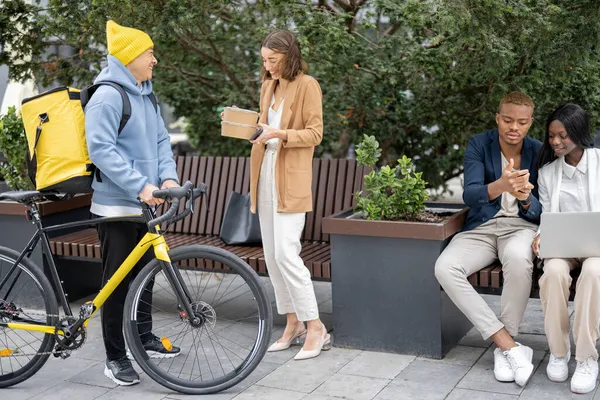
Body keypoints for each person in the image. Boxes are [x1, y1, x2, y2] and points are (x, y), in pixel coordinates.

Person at [85, 20, 181, 386]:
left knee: (146, 277)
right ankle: (114, 357)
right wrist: (142, 185)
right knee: (117, 283)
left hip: (145, 203)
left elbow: (161, 142)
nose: (154, 59)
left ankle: (143, 339)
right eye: (149, 53)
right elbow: (101, 151)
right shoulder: (108, 95)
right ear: (130, 57)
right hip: (115, 207)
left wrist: (168, 177)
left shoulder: (145, 94)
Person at [435, 92, 543, 386]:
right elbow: (470, 194)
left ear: (530, 123)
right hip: (481, 227)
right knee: (445, 268)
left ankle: (507, 345)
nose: (513, 127)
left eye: (521, 122)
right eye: (507, 120)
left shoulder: (538, 150)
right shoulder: (479, 144)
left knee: (520, 260)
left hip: (520, 226)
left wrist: (524, 198)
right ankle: (507, 344)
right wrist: (500, 185)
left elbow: (541, 208)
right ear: (498, 118)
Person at [249, 29, 328, 360]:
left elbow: (315, 133)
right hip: (265, 175)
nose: (268, 67)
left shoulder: (307, 85)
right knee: (272, 257)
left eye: (274, 60)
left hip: (290, 179)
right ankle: (293, 322)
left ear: (289, 57)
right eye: (265, 61)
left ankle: (316, 327)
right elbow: (261, 129)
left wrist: (279, 133)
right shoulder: (269, 85)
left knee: (286, 254)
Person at [533, 104, 600, 394]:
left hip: (597, 249)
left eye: (563, 136)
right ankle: (559, 352)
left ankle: (586, 357)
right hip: (563, 247)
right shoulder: (547, 173)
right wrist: (539, 235)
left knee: (594, 274)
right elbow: (547, 216)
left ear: (579, 133)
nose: (556, 142)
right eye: (551, 136)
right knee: (554, 273)